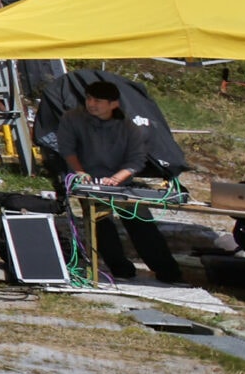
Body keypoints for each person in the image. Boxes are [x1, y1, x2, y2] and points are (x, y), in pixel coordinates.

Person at [56, 79, 183, 283]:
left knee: (139, 219)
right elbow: (67, 149)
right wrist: (80, 172)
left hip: (120, 181)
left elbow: (137, 159)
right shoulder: (72, 118)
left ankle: (168, 271)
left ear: (113, 104)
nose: (92, 104)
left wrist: (117, 178)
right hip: (87, 178)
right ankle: (120, 269)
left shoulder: (129, 126)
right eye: (89, 98)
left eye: (98, 100)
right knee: (100, 221)